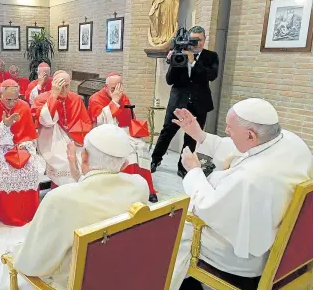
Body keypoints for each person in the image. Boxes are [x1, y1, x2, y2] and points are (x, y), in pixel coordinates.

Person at [169, 98, 313, 289]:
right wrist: (200, 135)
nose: (226, 131)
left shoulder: (251, 178)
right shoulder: (289, 141)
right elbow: (240, 148)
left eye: (229, 127)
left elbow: (209, 207)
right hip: (283, 238)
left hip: (238, 259)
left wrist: (194, 171)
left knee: (176, 230)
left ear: (251, 135)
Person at [11, 124, 150, 289]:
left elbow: (32, 264)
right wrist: (78, 175)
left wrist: (16, 252)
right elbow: (99, 193)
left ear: (84, 156)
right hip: (123, 271)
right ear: (125, 164)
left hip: (76, 281)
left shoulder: (59, 199)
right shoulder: (140, 185)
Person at [151, 26, 219, 178]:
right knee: (167, 132)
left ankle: (182, 167)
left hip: (199, 103)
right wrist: (172, 61)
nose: (196, 43)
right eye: (193, 40)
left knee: (192, 137)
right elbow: (170, 81)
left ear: (204, 40)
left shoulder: (211, 56)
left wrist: (193, 62)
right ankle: (155, 160)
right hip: (178, 102)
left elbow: (211, 76)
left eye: (199, 40)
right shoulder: (178, 54)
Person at [0, 80, 46, 226]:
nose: (12, 103)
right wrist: (5, 125)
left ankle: (27, 212)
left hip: (19, 147)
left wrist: (23, 145)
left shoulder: (23, 106)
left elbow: (28, 134)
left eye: (15, 99)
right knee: (5, 171)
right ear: (0, 95)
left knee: (32, 168)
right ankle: (3, 214)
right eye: (8, 99)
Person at [88, 72, 158, 203]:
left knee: (141, 149)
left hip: (123, 132)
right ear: (106, 86)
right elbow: (100, 122)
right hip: (104, 134)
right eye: (113, 88)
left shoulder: (124, 97)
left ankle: (147, 188)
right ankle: (127, 188)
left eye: (119, 88)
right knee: (129, 153)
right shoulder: (95, 98)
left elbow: (129, 119)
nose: (116, 92)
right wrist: (114, 101)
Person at [32, 72, 92, 187]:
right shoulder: (42, 98)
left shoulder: (76, 99)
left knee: (83, 159)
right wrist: (54, 96)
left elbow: (86, 122)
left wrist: (80, 138)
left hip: (75, 140)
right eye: (60, 86)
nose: (64, 89)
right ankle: (60, 193)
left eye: (67, 86)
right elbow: (46, 121)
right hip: (52, 140)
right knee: (64, 162)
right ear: (54, 85)